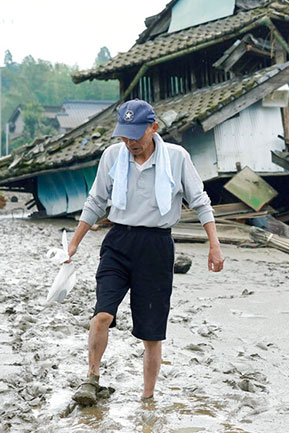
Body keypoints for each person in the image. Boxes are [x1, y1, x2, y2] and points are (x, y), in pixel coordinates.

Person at [67, 99, 224, 406]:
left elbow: (200, 201)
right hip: (118, 243)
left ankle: (147, 398)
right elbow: (96, 201)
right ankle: (92, 378)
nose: (130, 143)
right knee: (102, 314)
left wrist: (214, 245)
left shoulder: (176, 158)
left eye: (136, 136)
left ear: (154, 128)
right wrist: (74, 242)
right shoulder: (113, 156)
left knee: (152, 333)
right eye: (124, 136)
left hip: (156, 246)